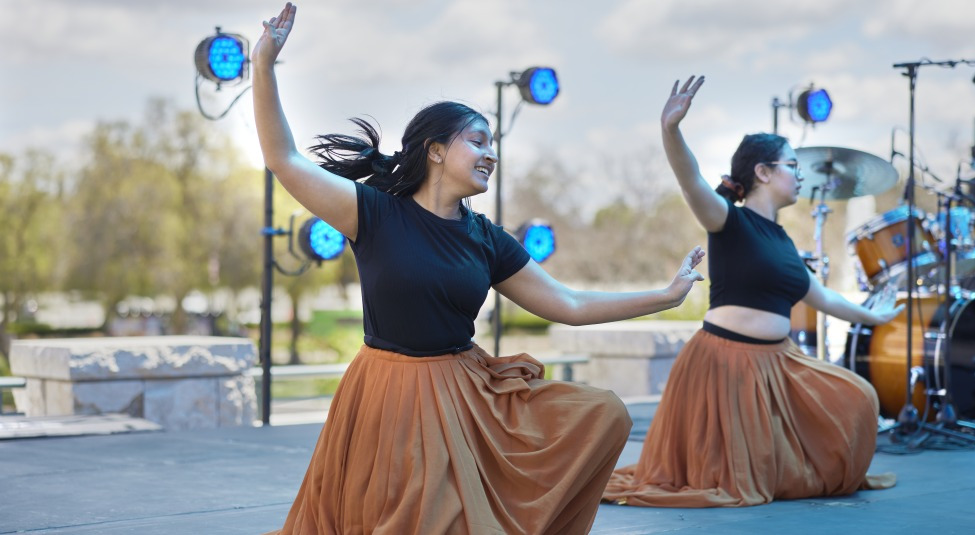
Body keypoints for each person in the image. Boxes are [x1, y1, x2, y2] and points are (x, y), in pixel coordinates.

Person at [253, 5, 708, 533]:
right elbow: (283, 157)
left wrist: (668, 295)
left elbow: (571, 306)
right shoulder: (373, 213)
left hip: (463, 390)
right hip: (387, 393)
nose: (491, 154)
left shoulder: (486, 237)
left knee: (603, 412)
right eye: (478, 141)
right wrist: (264, 64)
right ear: (437, 151)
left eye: (493, 144)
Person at [602, 75, 903, 508]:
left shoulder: (783, 243)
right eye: (792, 166)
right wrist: (671, 130)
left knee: (858, 396)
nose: (801, 175)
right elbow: (691, 180)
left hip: (778, 364)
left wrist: (877, 316)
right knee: (732, 483)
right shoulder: (729, 220)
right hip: (724, 364)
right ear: (762, 172)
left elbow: (826, 299)